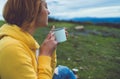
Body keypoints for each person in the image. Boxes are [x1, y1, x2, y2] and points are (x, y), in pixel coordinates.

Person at [0, 0, 76, 79]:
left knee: (65, 71)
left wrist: (51, 48)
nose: (48, 12)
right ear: (33, 11)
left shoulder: (25, 40)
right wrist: (45, 54)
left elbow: (48, 72)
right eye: (45, 7)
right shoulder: (12, 49)